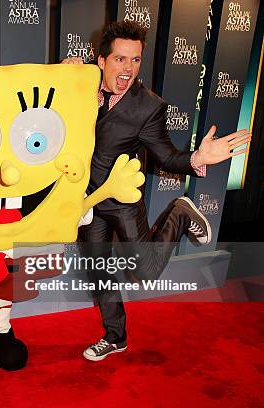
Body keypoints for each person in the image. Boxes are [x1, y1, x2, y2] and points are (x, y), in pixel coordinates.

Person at [63, 21, 251, 362]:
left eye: (135, 60)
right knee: (99, 270)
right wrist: (61, 70)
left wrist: (197, 158)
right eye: (120, 59)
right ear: (101, 60)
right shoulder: (78, 82)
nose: (128, 69)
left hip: (121, 199)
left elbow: (165, 155)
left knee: (145, 271)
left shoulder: (148, 106)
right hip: (86, 201)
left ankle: (178, 214)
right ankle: (115, 337)